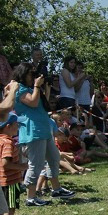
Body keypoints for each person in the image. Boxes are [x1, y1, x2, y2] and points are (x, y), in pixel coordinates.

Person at [11, 63, 75, 205]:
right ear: (23, 74)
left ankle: (56, 189)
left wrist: (44, 86)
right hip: (33, 131)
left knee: (54, 158)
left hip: (43, 129)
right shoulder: (19, 89)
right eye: (30, 74)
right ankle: (31, 197)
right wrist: (36, 86)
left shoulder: (30, 88)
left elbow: (42, 103)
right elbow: (33, 103)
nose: (33, 77)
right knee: (36, 164)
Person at [0, 112, 29, 215]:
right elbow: (6, 164)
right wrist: (22, 167)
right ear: (8, 126)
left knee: (3, 211)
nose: (18, 128)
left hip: (3, 182)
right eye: (16, 125)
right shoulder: (7, 142)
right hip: (10, 182)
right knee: (9, 211)